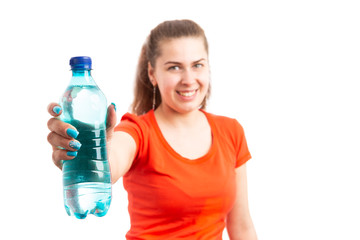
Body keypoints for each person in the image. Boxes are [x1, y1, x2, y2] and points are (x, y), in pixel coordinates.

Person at [47, 19, 257, 239]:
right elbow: (113, 160)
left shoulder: (231, 131)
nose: (188, 79)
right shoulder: (138, 131)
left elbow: (241, 226)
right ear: (152, 74)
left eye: (197, 65)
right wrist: (93, 151)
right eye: (174, 67)